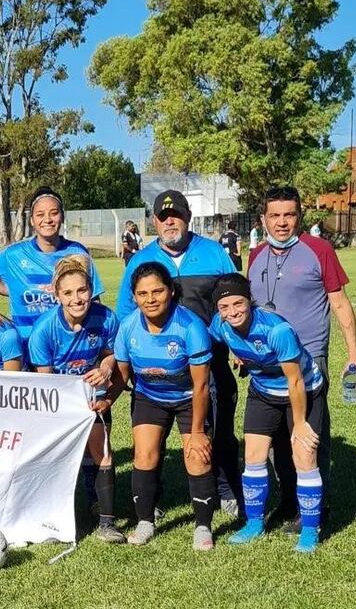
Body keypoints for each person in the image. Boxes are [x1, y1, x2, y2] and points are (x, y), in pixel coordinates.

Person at [116, 190, 241, 516]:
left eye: (177, 214)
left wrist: (239, 344)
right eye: (162, 216)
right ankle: (152, 498)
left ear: (187, 216)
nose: (170, 221)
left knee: (220, 429)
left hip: (209, 362)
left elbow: (233, 304)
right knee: (151, 438)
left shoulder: (214, 253)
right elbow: (125, 314)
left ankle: (225, 487)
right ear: (155, 221)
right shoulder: (140, 261)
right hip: (155, 369)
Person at [248, 185, 356, 531]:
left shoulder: (319, 250)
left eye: (289, 215)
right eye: (275, 215)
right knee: (276, 438)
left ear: (300, 216)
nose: (282, 223)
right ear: (263, 219)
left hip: (309, 359)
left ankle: (317, 505)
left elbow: (340, 304)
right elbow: (249, 309)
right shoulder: (255, 255)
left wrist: (354, 356)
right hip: (266, 363)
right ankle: (289, 501)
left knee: (310, 434)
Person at [208, 274, 325, 553]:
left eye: (239, 303)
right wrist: (241, 355)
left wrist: (299, 424)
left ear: (250, 301)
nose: (232, 311)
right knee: (253, 456)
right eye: (224, 307)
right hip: (263, 392)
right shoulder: (220, 325)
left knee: (303, 455)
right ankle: (254, 523)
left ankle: (310, 530)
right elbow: (217, 343)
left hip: (303, 389)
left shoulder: (277, 330)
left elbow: (295, 380)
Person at [114, 262, 216, 550]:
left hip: (188, 398)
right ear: (134, 296)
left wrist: (197, 431)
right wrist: (106, 399)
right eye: (143, 293)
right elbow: (122, 375)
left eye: (157, 291)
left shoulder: (191, 326)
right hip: (149, 397)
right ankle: (145, 521)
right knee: (144, 454)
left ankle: (203, 527)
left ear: (171, 291)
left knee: (197, 455)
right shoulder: (128, 326)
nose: (151, 299)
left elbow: (201, 386)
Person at [28, 256, 125, 543]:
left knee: (103, 451)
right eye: (68, 293)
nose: (76, 298)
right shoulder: (44, 329)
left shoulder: (106, 318)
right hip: (57, 401)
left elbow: (113, 355)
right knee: (55, 457)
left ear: (91, 289)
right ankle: (53, 519)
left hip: (91, 397)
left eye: (82, 290)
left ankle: (107, 522)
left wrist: (106, 367)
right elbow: (44, 381)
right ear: (57, 295)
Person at [0, 186, 104, 340]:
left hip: (68, 347)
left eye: (54, 213)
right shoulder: (14, 254)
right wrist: (8, 288)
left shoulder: (78, 252)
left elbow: (94, 301)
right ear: (32, 220)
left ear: (63, 216)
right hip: (26, 345)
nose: (47, 219)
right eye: (40, 214)